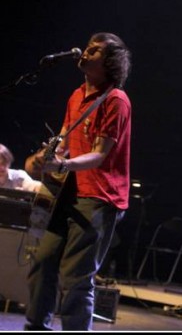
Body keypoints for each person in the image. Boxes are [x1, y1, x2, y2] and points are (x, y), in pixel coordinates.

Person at [23, 32, 132, 331]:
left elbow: (99, 156)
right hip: (68, 192)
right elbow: (64, 142)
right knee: (42, 262)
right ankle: (36, 327)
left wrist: (63, 163)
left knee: (77, 278)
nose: (85, 53)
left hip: (98, 196)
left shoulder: (115, 101)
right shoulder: (76, 95)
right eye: (87, 47)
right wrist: (43, 158)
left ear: (110, 62)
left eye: (95, 51)